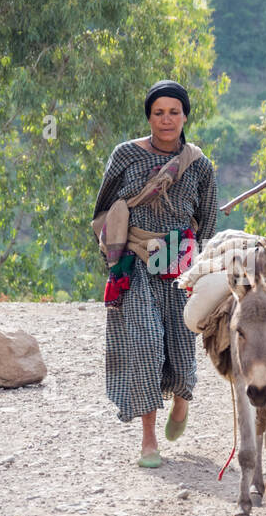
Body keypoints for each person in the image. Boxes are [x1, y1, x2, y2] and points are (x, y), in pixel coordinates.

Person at [92, 80, 218, 468]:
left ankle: (181, 403)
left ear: (185, 116)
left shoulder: (199, 166)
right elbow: (102, 211)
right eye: (159, 112)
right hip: (136, 266)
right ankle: (148, 439)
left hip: (181, 268)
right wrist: (114, 254)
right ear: (149, 116)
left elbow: (208, 223)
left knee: (181, 346)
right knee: (145, 344)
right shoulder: (125, 156)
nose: (166, 119)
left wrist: (201, 271)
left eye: (174, 112)